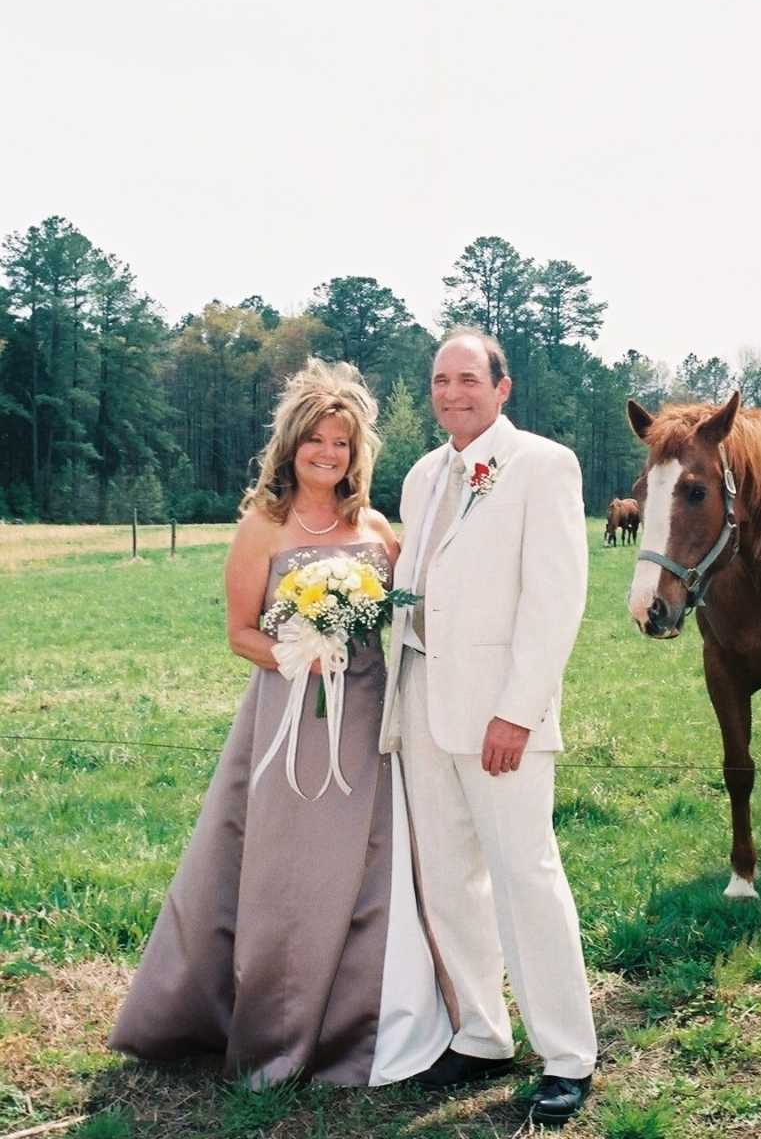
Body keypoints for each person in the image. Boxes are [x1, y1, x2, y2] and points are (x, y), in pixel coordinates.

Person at [110, 359, 450, 1087]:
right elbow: (239, 633)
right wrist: (304, 652)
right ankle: (278, 1024)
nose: (329, 455)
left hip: (367, 719)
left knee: (376, 859)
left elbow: (409, 607)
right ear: (292, 447)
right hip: (290, 721)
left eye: (343, 444)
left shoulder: (375, 527)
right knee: (289, 870)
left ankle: (383, 1022)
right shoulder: (262, 528)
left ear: (357, 454)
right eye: (317, 442)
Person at [379, 329, 597, 1124]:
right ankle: (480, 1032)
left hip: (502, 715)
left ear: (502, 389)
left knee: (525, 876)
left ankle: (568, 1054)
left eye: (468, 379)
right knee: (447, 878)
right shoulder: (421, 475)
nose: (451, 393)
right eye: (440, 380)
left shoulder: (544, 465)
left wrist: (519, 710)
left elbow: (555, 598)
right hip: (423, 705)